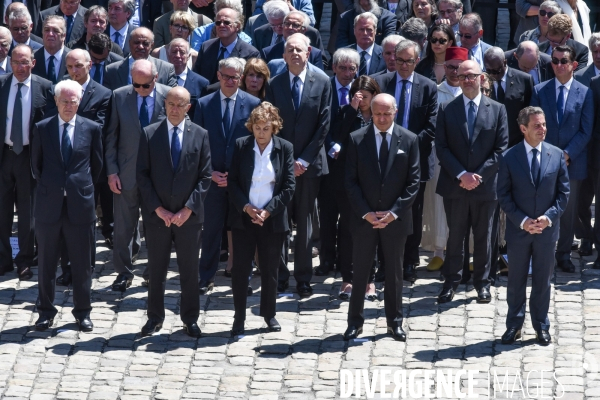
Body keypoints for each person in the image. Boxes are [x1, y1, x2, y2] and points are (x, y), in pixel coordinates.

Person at [343, 93, 420, 341]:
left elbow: (413, 182)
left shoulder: (409, 140)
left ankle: (394, 323)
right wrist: (366, 213)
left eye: (387, 113)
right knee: (360, 272)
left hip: (394, 220)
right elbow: (350, 181)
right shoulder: (356, 139)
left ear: (395, 112)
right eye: (378, 114)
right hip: (364, 218)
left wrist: (393, 213)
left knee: (395, 273)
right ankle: (354, 322)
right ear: (371, 113)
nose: (383, 118)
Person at [137, 86, 212, 338]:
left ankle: (190, 319)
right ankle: (154, 317)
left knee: (189, 271)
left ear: (188, 108)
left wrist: (187, 210)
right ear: (164, 105)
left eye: (180, 105)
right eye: (171, 104)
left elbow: (204, 177)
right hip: (157, 217)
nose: (175, 109)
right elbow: (142, 176)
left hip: (187, 219)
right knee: (156, 271)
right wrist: (157, 209)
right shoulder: (149, 134)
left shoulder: (200, 135)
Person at [32, 79, 103, 332]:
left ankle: (83, 312)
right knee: (47, 264)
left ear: (79, 101)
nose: (69, 106)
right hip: (49, 206)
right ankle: (45, 311)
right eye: (65, 101)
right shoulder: (42, 127)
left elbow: (97, 167)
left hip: (80, 205)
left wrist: (77, 187)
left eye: (73, 102)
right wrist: (56, 187)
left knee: (82, 264)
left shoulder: (92, 128)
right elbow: (36, 167)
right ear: (56, 101)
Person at [435, 60, 509, 304]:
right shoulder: (446, 108)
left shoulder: (497, 109)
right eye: (462, 75)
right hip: (455, 185)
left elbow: (500, 149)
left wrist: (478, 176)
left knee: (484, 236)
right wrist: (461, 175)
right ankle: (451, 282)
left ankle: (483, 283)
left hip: (485, 186)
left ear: (481, 78)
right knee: (455, 236)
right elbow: (442, 147)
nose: (467, 79)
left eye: (471, 75)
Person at [265, 33, 331, 297]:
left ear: (308, 52)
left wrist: (303, 160)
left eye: (299, 50)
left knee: (304, 222)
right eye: (289, 49)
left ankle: (303, 277)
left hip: (310, 165)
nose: (294, 53)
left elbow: (324, 124)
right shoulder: (275, 83)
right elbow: (271, 123)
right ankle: (280, 275)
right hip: (281, 165)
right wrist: (287, 161)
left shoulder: (323, 81)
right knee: (280, 220)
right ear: (284, 55)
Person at [497, 106, 569, 346]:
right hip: (519, 232)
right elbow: (504, 195)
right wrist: (523, 221)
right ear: (523, 128)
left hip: (547, 232)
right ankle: (514, 326)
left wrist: (547, 219)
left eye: (544, 124)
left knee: (542, 280)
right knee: (515, 280)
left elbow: (563, 194)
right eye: (537, 125)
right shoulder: (509, 157)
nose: (543, 129)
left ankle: (541, 325)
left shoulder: (557, 155)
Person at [194, 57, 261, 295]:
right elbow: (197, 143)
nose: (230, 80)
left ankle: (243, 278)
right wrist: (209, 172)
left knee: (242, 230)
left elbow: (257, 143)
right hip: (212, 178)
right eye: (226, 76)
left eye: (235, 77)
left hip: (240, 180)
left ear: (241, 78)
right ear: (218, 75)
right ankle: (205, 277)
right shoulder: (203, 104)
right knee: (211, 230)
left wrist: (237, 173)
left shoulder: (254, 104)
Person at [228, 102, 295, 336]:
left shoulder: (284, 148)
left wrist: (268, 211)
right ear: (251, 127)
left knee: (270, 269)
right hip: (244, 218)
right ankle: (239, 317)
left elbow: (288, 187)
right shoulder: (241, 146)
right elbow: (233, 182)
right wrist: (246, 207)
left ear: (274, 127)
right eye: (257, 127)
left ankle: (269, 314)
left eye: (266, 128)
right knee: (240, 269)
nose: (261, 132)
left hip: (271, 219)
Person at [374, 39, 438, 283]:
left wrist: (404, 149)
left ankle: (409, 262)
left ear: (417, 61)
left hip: (416, 160)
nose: (402, 65)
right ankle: (384, 263)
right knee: (383, 211)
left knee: (413, 214)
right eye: (398, 60)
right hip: (383, 160)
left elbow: (430, 128)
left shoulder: (429, 87)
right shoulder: (381, 83)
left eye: (408, 61)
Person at [105, 59, 170, 292]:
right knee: (123, 227)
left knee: (156, 226)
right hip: (127, 172)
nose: (140, 90)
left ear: (156, 78)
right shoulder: (119, 96)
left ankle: (153, 271)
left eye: (145, 85)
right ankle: (123, 272)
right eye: (136, 85)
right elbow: (111, 137)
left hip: (159, 175)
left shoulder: (169, 96)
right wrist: (112, 171)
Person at [530, 44, 593, 272]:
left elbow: (586, 130)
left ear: (574, 65)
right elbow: (535, 126)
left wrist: (566, 155)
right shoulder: (540, 90)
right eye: (554, 61)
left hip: (572, 162)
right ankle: (543, 253)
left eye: (563, 61)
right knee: (543, 207)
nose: (557, 65)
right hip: (545, 160)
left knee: (568, 212)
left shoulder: (585, 92)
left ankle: (564, 254)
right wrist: (550, 155)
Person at [0, 44, 54, 280]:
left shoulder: (45, 87)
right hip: (4, 154)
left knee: (27, 213)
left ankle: (24, 259)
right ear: (10, 62)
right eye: (16, 62)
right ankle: (3, 259)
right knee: (1, 211)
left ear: (33, 62)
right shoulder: (1, 84)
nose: (20, 67)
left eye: (25, 62)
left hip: (29, 157)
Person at [421, 46, 468, 271]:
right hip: (441, 156)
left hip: (467, 158)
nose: (454, 72)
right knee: (439, 203)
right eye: (449, 67)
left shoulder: (470, 92)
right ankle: (439, 251)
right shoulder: (435, 91)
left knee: (466, 205)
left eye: (458, 68)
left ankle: (466, 252)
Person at [335, 75, 381, 300]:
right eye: (358, 95)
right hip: (348, 181)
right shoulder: (346, 113)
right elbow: (338, 138)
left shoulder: (380, 116)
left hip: (373, 182)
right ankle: (347, 279)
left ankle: (369, 281)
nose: (362, 100)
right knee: (346, 230)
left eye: (366, 96)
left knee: (370, 230)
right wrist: (351, 109)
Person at [315, 47, 358, 278]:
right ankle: (326, 260)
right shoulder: (324, 87)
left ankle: (345, 262)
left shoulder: (360, 91)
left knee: (348, 218)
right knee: (328, 217)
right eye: (342, 68)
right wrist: (331, 144)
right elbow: (321, 122)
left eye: (352, 69)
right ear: (334, 68)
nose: (347, 73)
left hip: (350, 165)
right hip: (327, 164)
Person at [573, 33, 600, 258]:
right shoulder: (581, 77)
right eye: (595, 52)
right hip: (583, 150)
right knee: (581, 201)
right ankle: (585, 236)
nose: (599, 56)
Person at [192, 7, 260, 83]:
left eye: (226, 22)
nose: (221, 25)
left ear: (237, 26)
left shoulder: (250, 53)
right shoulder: (206, 47)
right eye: (218, 23)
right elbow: (196, 76)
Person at [484, 46, 534, 148]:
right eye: (489, 71)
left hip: (517, 141)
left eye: (496, 71)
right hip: (491, 143)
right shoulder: (483, 81)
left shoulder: (524, 79)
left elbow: (530, 110)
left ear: (505, 63)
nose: (492, 75)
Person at [104, 27, 178, 90]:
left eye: (145, 43)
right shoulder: (111, 70)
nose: (140, 47)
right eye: (136, 42)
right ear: (129, 43)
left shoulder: (166, 69)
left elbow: (172, 98)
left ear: (152, 46)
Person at [166, 38, 209, 120]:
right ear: (168, 56)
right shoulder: (160, 80)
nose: (178, 55)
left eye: (182, 52)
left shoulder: (202, 83)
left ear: (188, 56)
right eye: (174, 52)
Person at [32, 15, 71, 84]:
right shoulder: (32, 57)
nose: (50, 34)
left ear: (63, 36)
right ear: (42, 33)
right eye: (46, 30)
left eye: (56, 31)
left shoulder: (73, 58)